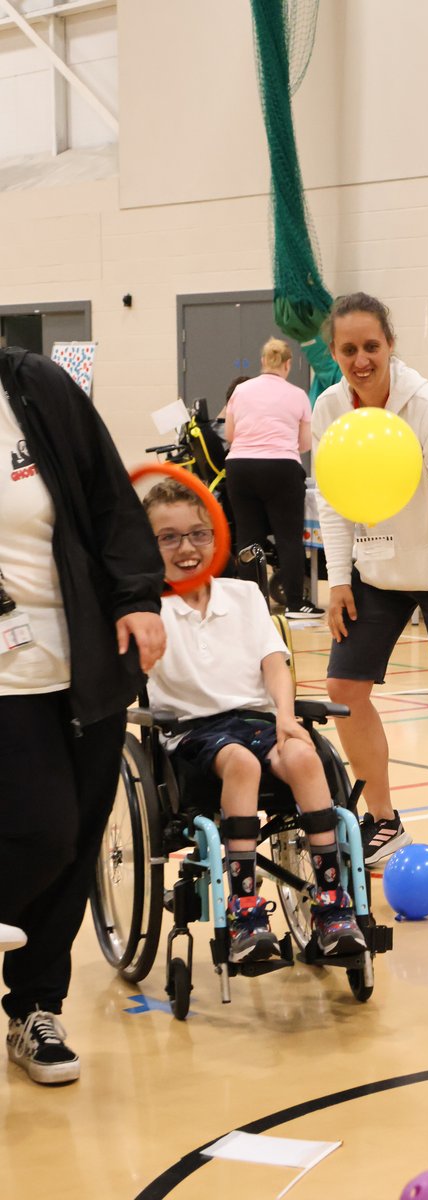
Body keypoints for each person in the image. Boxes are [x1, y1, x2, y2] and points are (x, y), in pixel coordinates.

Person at [0, 347, 166, 1086]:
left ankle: (34, 1006)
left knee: (76, 848)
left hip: (85, 658)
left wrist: (137, 597)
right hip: (6, 676)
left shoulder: (34, 385)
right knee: (43, 828)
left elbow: (109, 500)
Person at [143, 478, 366, 962]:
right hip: (192, 732)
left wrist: (286, 718)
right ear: (150, 546)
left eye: (198, 534)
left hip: (256, 719)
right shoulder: (148, 612)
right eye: (169, 537)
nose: (187, 548)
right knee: (241, 762)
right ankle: (245, 909)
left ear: (216, 536)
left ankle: (332, 903)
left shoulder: (243, 595)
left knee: (305, 755)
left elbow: (273, 663)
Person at [312, 293, 428, 877]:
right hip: (378, 571)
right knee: (343, 688)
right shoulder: (329, 407)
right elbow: (334, 500)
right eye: (349, 349)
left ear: (390, 344)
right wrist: (337, 579)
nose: (361, 359)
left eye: (371, 346)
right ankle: (384, 822)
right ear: (334, 352)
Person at [220, 337, 324, 619]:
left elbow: (230, 435)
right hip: (281, 467)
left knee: (247, 538)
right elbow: (304, 444)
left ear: (263, 361)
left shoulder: (240, 391)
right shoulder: (298, 395)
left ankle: (251, 606)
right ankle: (294, 603)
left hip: (240, 467)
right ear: (288, 364)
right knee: (288, 538)